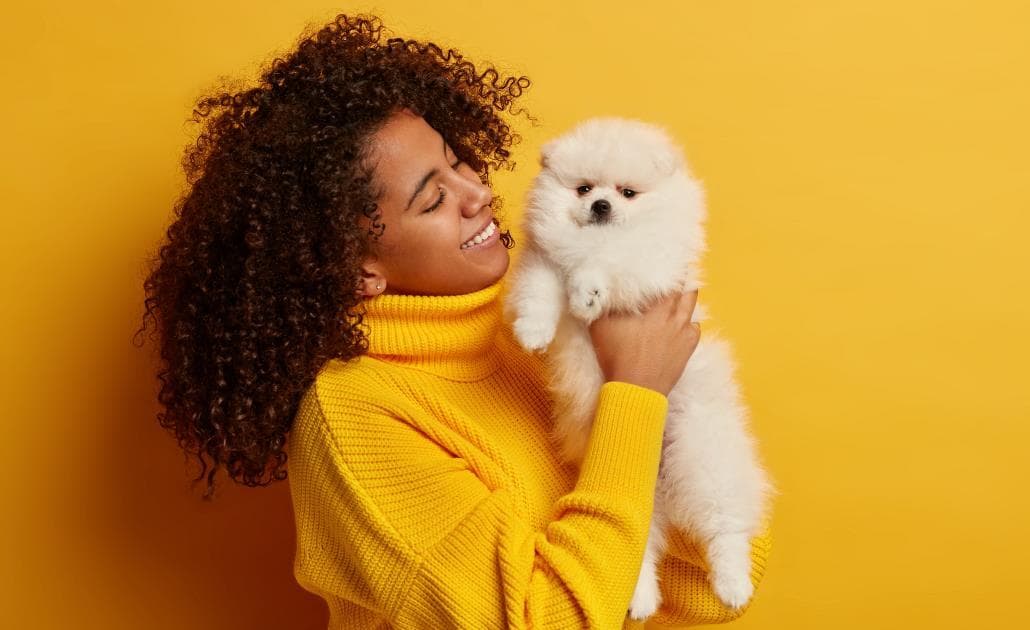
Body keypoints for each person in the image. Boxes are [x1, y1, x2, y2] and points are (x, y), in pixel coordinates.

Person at [139, 13, 772, 629]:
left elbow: (705, 593)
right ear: (360, 270)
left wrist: (672, 426)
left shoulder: (536, 331)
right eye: (434, 198)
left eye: (458, 161)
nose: (477, 192)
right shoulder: (355, 420)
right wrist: (633, 395)